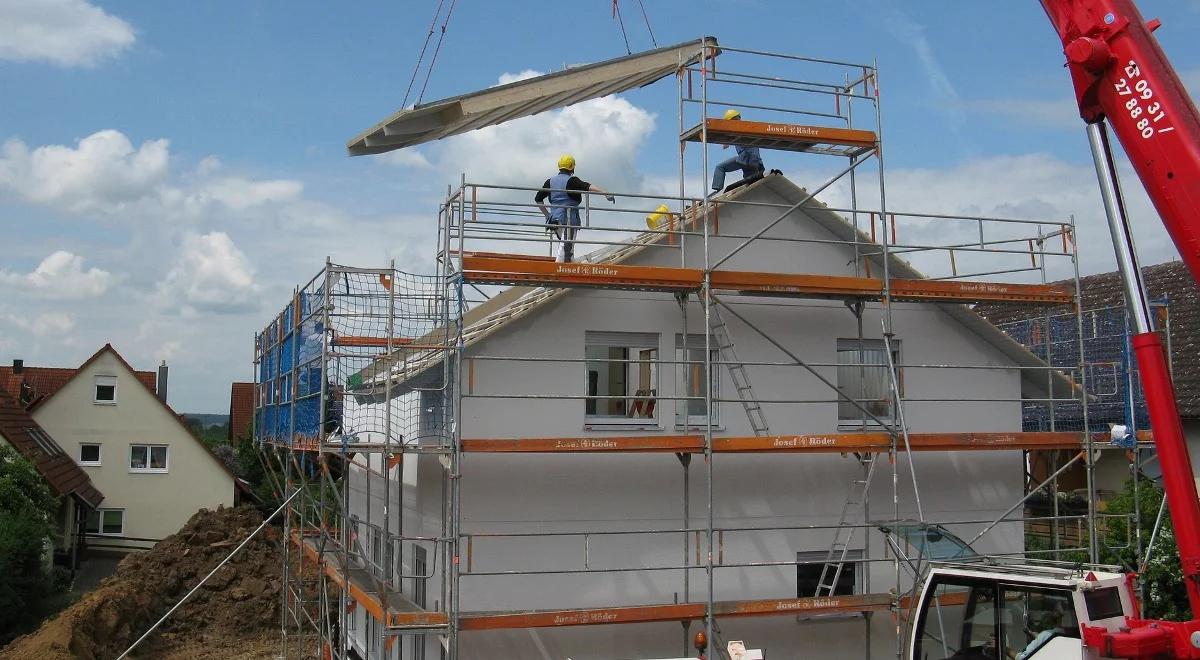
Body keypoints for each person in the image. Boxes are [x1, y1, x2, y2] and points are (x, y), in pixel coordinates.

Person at [534, 155, 615, 263]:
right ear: (572, 168)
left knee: (566, 247)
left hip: (555, 221)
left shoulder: (550, 182)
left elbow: (538, 199)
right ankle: (558, 269)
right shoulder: (572, 181)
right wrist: (605, 193)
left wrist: (547, 215)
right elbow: (587, 186)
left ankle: (569, 265)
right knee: (566, 247)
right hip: (569, 219)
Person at [711, 108, 765, 193]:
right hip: (755, 163)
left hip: (746, 159)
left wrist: (726, 140)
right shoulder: (746, 128)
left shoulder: (740, 128)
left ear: (732, 120)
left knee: (720, 167)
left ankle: (718, 191)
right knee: (750, 186)